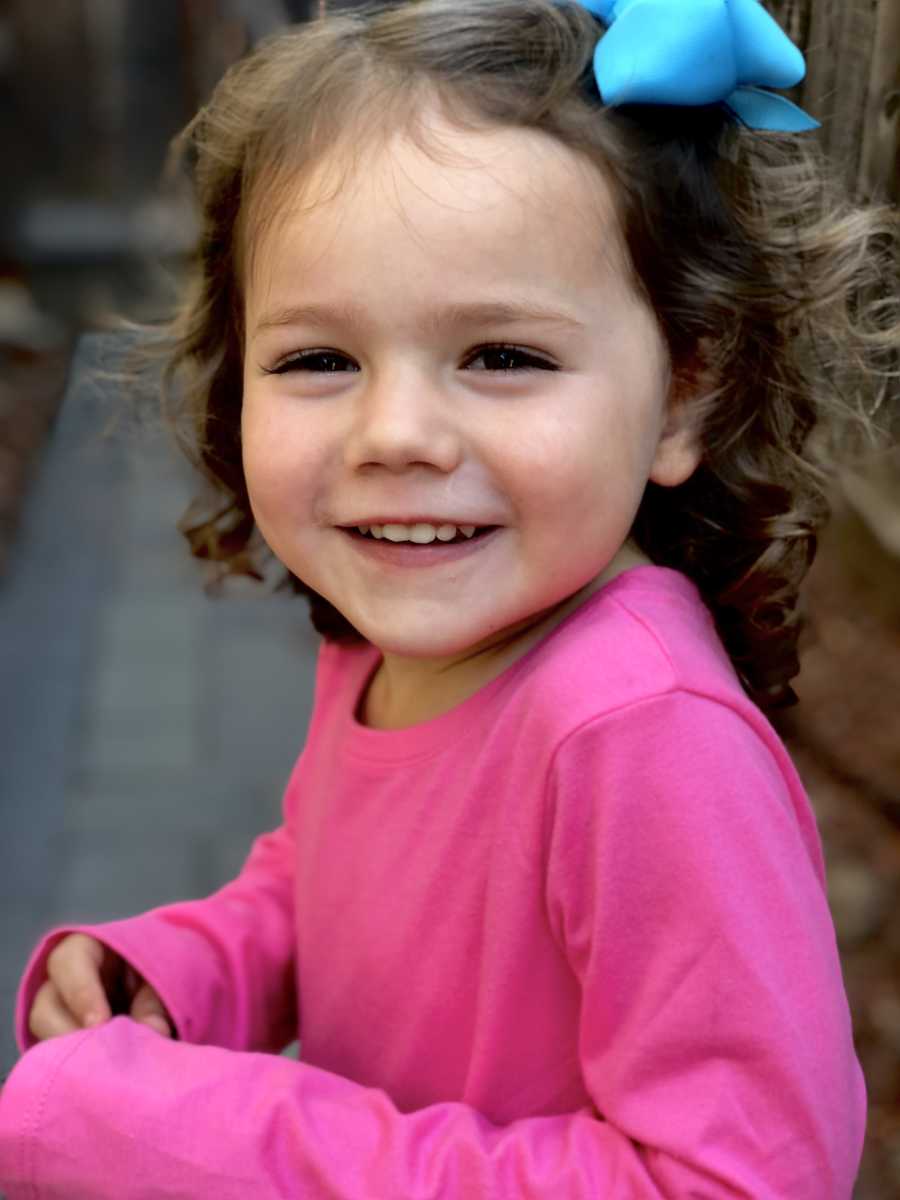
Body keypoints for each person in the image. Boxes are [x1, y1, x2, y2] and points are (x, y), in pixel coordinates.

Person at [0, 0, 896, 1195]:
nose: (398, 433)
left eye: (502, 356)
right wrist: (195, 969)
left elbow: (742, 1178)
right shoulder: (399, 636)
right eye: (319, 359)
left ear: (684, 394)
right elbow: (329, 876)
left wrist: (221, 1138)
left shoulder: (640, 736)